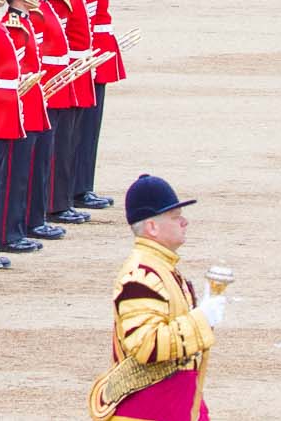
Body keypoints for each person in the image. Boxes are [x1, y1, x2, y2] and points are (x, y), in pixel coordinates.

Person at [88, 174, 223, 420]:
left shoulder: (160, 267)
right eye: (175, 217)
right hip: (150, 410)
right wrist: (200, 320)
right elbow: (146, 346)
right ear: (152, 227)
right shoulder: (141, 275)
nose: (184, 222)